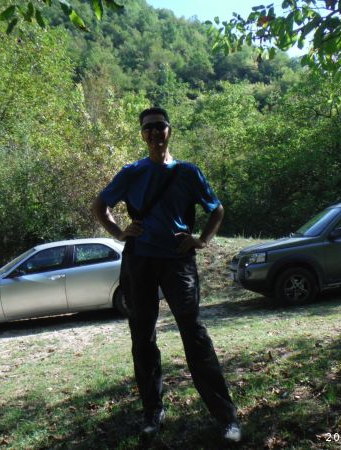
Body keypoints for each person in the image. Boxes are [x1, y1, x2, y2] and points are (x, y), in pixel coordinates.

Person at [92, 107, 241, 443]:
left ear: (169, 131)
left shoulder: (188, 172)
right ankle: (152, 413)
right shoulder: (131, 172)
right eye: (149, 128)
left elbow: (216, 209)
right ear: (142, 134)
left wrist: (201, 240)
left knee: (195, 333)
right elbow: (100, 206)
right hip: (139, 261)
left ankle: (226, 417)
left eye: (160, 126)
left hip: (178, 261)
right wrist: (119, 233)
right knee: (142, 337)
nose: (155, 132)